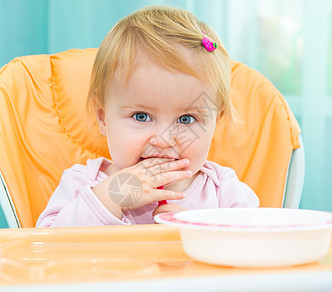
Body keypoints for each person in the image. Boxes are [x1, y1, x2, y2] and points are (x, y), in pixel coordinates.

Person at [36, 5, 259, 227]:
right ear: (103, 117)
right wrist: (108, 198)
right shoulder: (83, 183)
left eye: (186, 119)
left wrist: (198, 234)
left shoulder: (225, 192)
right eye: (141, 116)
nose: (163, 140)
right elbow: (45, 248)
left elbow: (256, 250)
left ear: (215, 122)